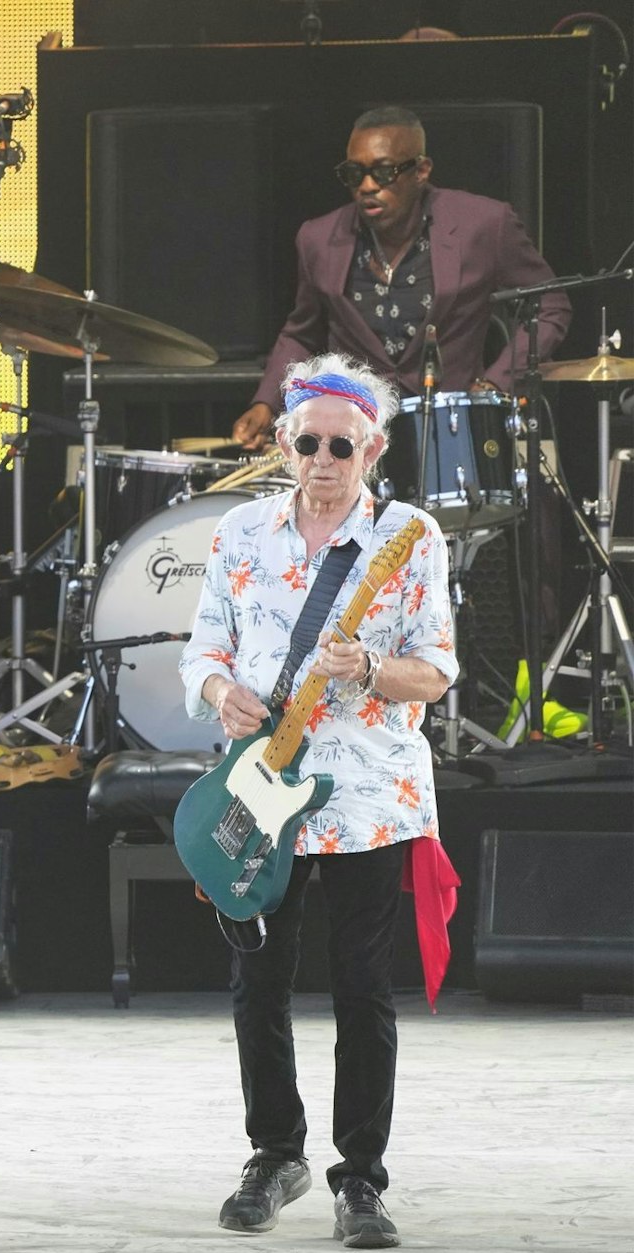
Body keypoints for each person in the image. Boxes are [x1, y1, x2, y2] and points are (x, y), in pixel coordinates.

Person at [183, 353, 458, 1248]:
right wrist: (220, 691)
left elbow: (438, 669)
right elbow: (202, 650)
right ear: (284, 444)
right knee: (256, 981)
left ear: (373, 448)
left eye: (344, 445)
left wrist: (371, 667)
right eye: (309, 444)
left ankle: (361, 1176)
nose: (325, 460)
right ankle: (274, 1152)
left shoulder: (409, 537)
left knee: (362, 986)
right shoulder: (240, 533)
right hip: (263, 787)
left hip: (369, 792)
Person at [233, 105, 571, 452]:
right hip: (356, 438)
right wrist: (266, 403)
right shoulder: (318, 239)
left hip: (454, 435)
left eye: (383, 172)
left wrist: (495, 385)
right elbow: (302, 332)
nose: (367, 186)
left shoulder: (484, 224)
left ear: (421, 170)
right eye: (354, 173)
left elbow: (550, 304)